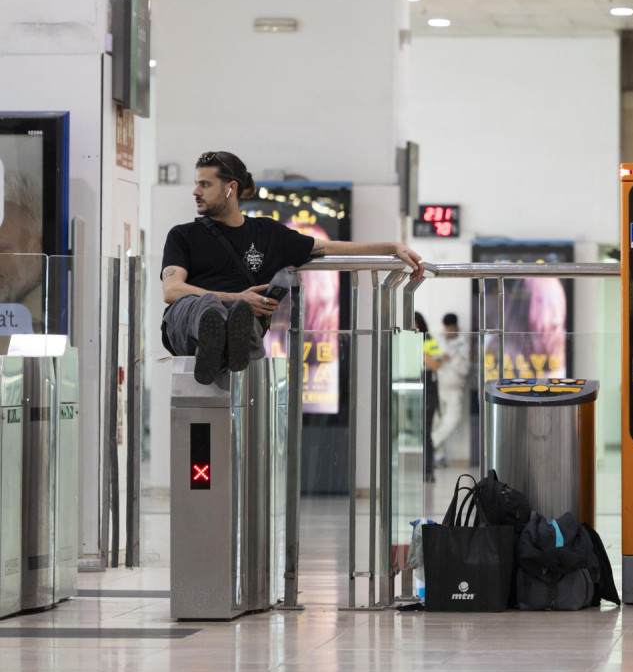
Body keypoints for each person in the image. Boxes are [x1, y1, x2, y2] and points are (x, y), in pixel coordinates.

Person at [161, 150, 424, 385]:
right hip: (187, 325)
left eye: (204, 184)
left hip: (241, 322)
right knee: (209, 306)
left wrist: (391, 247)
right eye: (197, 184)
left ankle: (222, 351)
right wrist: (237, 298)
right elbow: (172, 291)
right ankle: (220, 346)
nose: (196, 191)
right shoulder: (183, 235)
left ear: (231, 188)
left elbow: (330, 247)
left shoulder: (267, 234)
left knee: (245, 319)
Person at [432, 312, 469, 466]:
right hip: (439, 385)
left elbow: (465, 368)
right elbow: (432, 359)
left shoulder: (463, 342)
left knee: (452, 420)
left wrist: (451, 360)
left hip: (454, 388)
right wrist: (439, 359)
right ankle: (438, 455)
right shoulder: (438, 340)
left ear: (456, 327)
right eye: (447, 328)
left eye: (451, 328)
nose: (449, 331)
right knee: (436, 421)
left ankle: (430, 444)